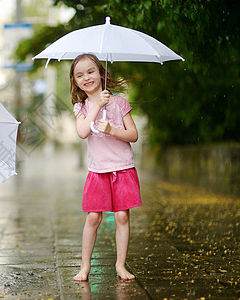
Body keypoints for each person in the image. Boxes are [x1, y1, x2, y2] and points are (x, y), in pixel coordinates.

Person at [70, 53, 142, 281]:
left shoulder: (119, 103)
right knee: (93, 218)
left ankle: (120, 265)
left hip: (122, 168)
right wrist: (96, 106)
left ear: (102, 73)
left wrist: (112, 130)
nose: (86, 78)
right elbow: (82, 132)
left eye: (91, 71)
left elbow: (133, 135)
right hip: (97, 170)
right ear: (76, 82)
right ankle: (85, 267)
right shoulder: (81, 107)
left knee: (121, 216)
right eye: (79, 75)